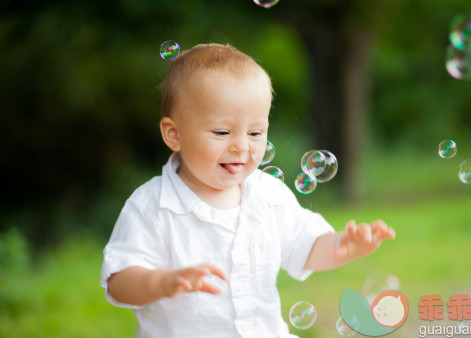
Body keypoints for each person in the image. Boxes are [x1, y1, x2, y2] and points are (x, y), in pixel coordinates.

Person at [100, 43, 396, 337]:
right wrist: (162, 282)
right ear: (174, 134)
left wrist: (342, 246)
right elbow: (119, 280)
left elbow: (305, 247)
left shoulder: (268, 195)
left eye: (255, 133)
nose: (241, 146)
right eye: (221, 132)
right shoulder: (152, 206)